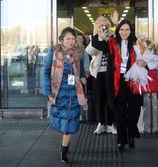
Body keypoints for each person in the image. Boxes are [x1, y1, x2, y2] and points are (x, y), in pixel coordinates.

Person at [92, 19, 143, 151]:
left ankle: (131, 135)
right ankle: (121, 140)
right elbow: (96, 44)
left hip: (133, 80)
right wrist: (99, 33)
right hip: (116, 81)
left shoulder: (137, 43)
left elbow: (146, 59)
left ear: (131, 31)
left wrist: (145, 64)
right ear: (118, 31)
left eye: (127, 29)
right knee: (119, 112)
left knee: (134, 111)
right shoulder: (112, 43)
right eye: (122, 29)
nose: (124, 32)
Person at [42, 27, 88, 164]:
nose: (71, 41)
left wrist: (83, 76)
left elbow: (81, 70)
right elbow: (46, 71)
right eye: (68, 38)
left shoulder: (77, 53)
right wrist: (47, 92)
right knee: (62, 122)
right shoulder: (54, 51)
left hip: (74, 92)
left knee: (69, 123)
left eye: (73, 39)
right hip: (59, 92)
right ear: (61, 39)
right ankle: (64, 143)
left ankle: (64, 149)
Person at [86, 15, 117, 135]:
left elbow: (112, 49)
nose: (102, 23)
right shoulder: (95, 38)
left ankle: (110, 123)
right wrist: (98, 37)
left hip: (111, 73)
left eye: (105, 21)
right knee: (99, 99)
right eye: (99, 22)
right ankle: (100, 123)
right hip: (97, 73)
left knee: (110, 98)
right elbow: (90, 51)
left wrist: (112, 29)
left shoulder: (113, 36)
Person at [76, 32, 90, 122]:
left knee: (81, 95)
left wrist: (85, 74)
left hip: (81, 76)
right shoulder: (72, 49)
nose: (80, 40)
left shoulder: (84, 51)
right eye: (78, 38)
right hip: (73, 76)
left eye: (81, 39)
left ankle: (81, 115)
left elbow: (86, 64)